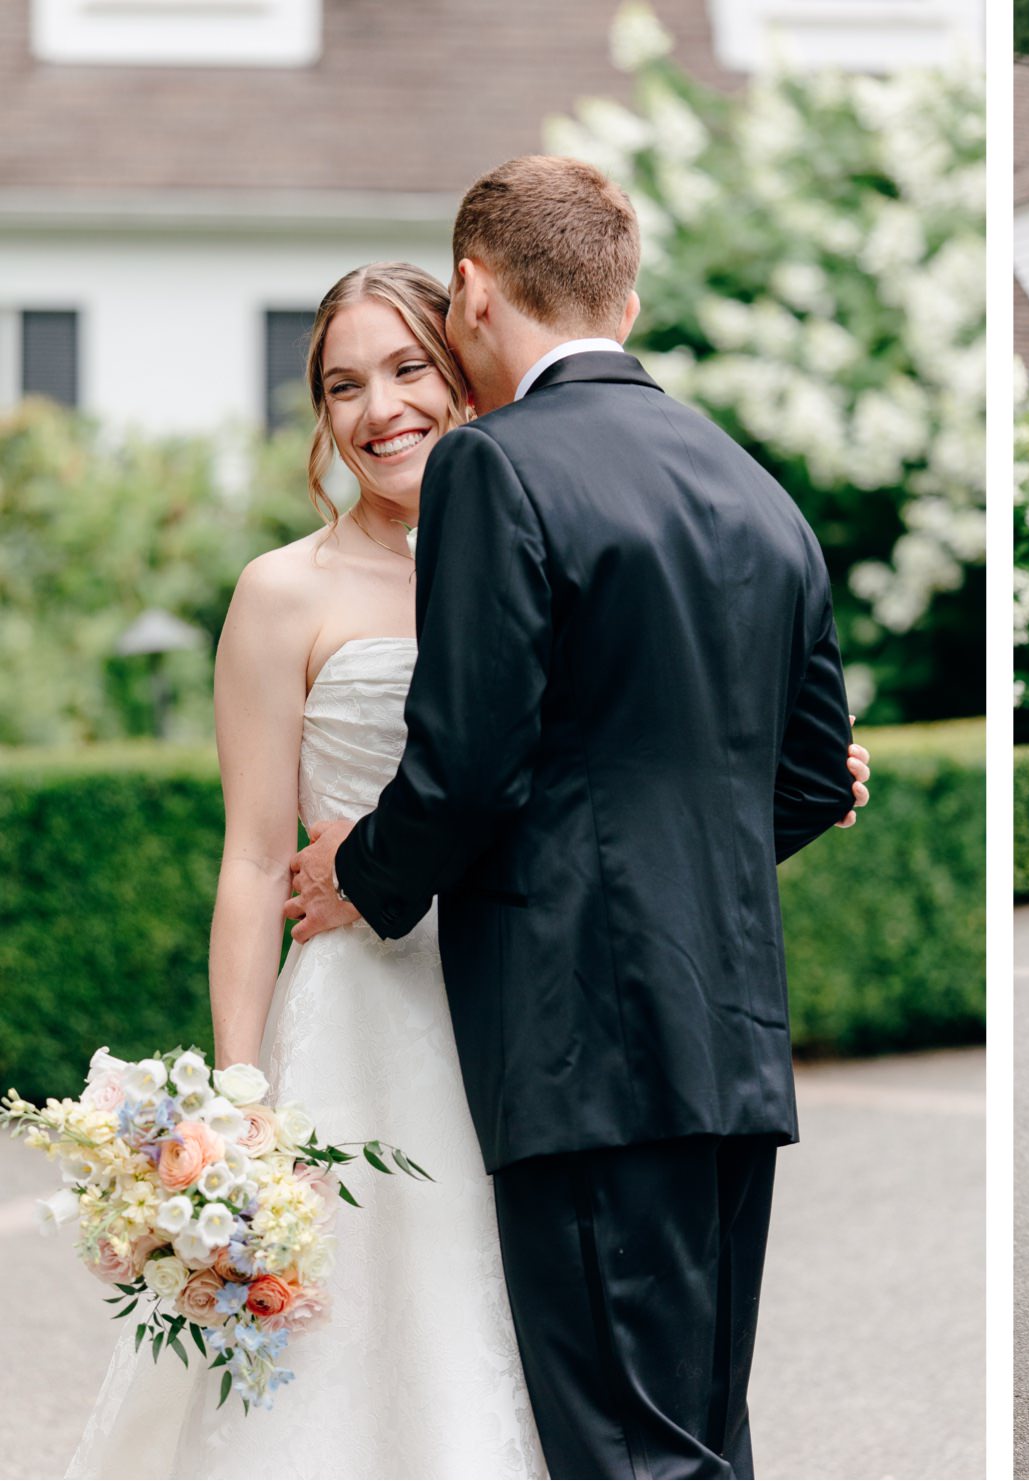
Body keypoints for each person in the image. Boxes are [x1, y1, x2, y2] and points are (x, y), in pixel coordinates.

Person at [69, 187, 866, 1477]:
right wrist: (236, 1099)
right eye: (341, 385)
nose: (379, 406)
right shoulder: (291, 591)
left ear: (469, 337)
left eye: (408, 367)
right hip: (417, 1016)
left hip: (547, 1012)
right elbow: (253, 857)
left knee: (617, 1419)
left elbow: (490, 773)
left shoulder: (523, 493)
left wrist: (372, 869)